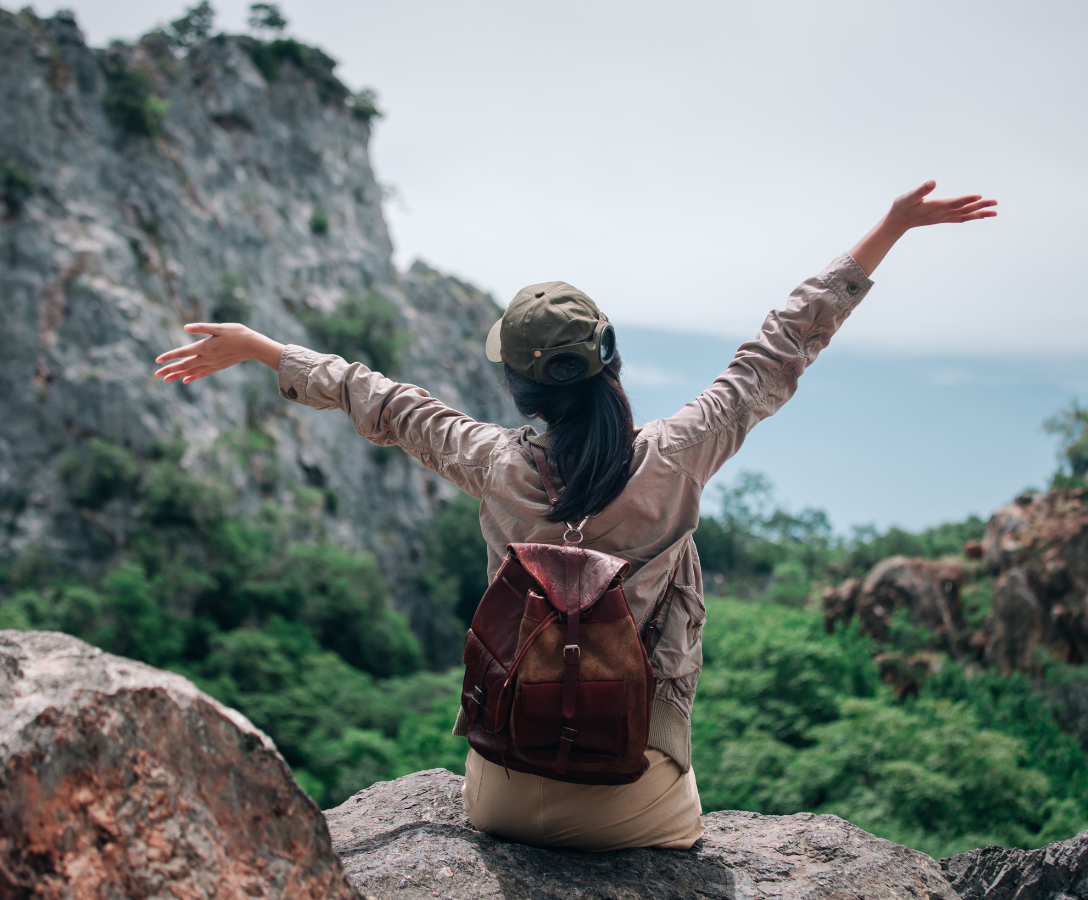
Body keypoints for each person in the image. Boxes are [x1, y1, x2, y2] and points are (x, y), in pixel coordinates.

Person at [154, 181, 996, 850]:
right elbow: (777, 349)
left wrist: (264, 349)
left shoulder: (491, 462)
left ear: (520, 388)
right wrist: (889, 227)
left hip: (502, 795)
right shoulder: (680, 453)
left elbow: (385, 402)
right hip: (639, 802)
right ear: (612, 362)